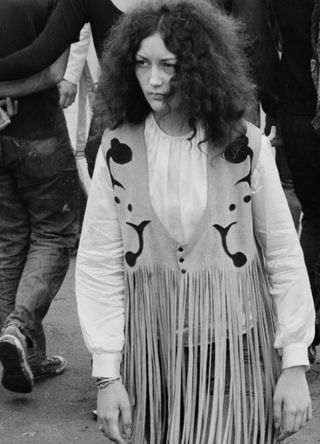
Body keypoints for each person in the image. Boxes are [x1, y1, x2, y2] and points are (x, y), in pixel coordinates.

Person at [75, 1, 315, 443]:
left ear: (200, 67)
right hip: (153, 357)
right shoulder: (117, 150)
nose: (153, 79)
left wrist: (294, 363)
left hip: (238, 349)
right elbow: (98, 263)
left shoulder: (246, 147)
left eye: (169, 64)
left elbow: (283, 254)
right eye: (142, 63)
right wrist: (107, 376)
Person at [0, 0, 79, 394]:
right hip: (39, 131)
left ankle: (24, 353)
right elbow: (53, 71)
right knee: (53, 235)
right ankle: (19, 330)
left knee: (11, 241)